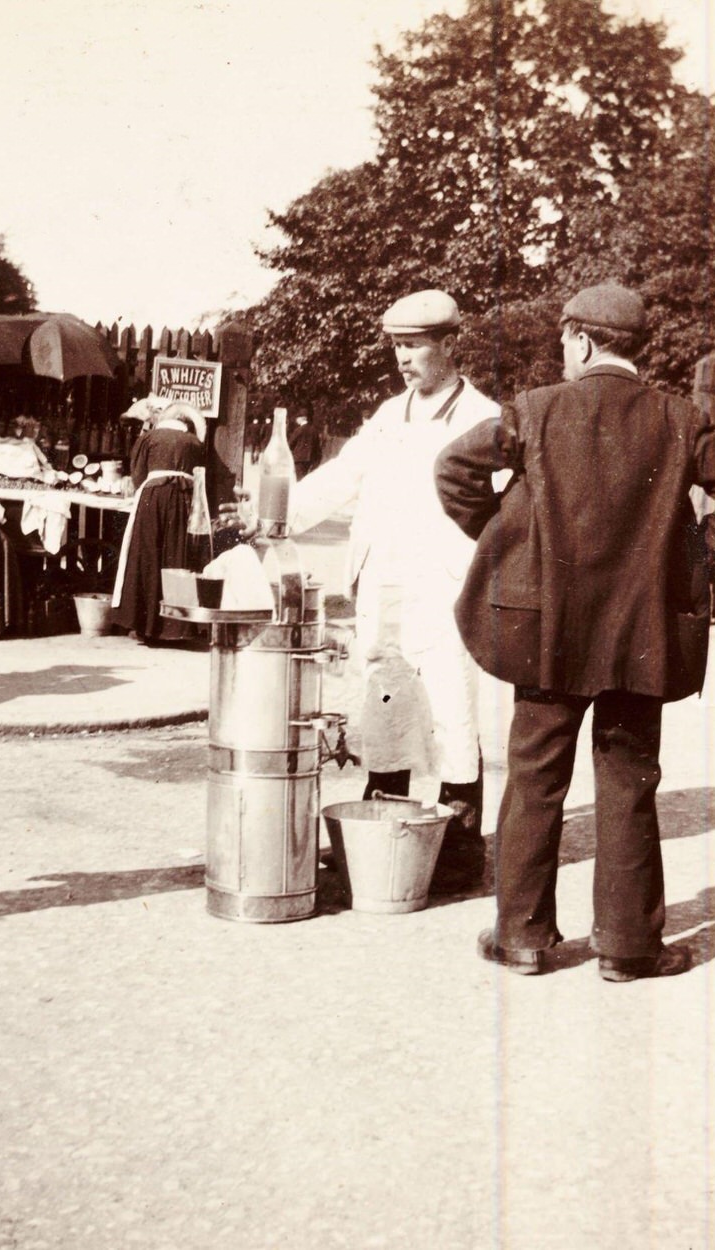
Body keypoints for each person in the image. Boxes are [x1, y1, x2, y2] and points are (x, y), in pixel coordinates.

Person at [434, 283, 715, 980]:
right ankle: (627, 948)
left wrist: (511, 551)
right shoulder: (682, 419)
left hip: (547, 632)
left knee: (533, 779)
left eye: (564, 341)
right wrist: (690, 566)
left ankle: (522, 939)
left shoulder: (534, 411)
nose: (561, 353)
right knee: (628, 781)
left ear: (584, 341)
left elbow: (455, 470)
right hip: (641, 634)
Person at [277, 289, 501, 892]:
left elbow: (504, 504)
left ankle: (458, 845)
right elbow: (341, 477)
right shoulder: (386, 415)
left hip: (445, 585)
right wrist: (277, 515)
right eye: (397, 347)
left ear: (449, 344)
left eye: (415, 346)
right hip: (386, 581)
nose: (403, 360)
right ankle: (381, 828)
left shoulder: (483, 417)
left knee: (451, 704)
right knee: (384, 696)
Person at [110, 401, 207, 643]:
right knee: (177, 557)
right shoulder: (194, 442)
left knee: (147, 556)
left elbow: (137, 474)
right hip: (183, 500)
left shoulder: (149, 438)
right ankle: (177, 628)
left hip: (152, 499)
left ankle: (144, 625)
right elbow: (201, 474)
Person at [288, 412, 322, 480]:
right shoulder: (314, 430)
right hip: (311, 458)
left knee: (299, 478)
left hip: (299, 458)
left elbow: (290, 444)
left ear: (301, 419)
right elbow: (317, 445)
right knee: (307, 478)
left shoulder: (298, 430)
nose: (296, 420)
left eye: (297, 418)